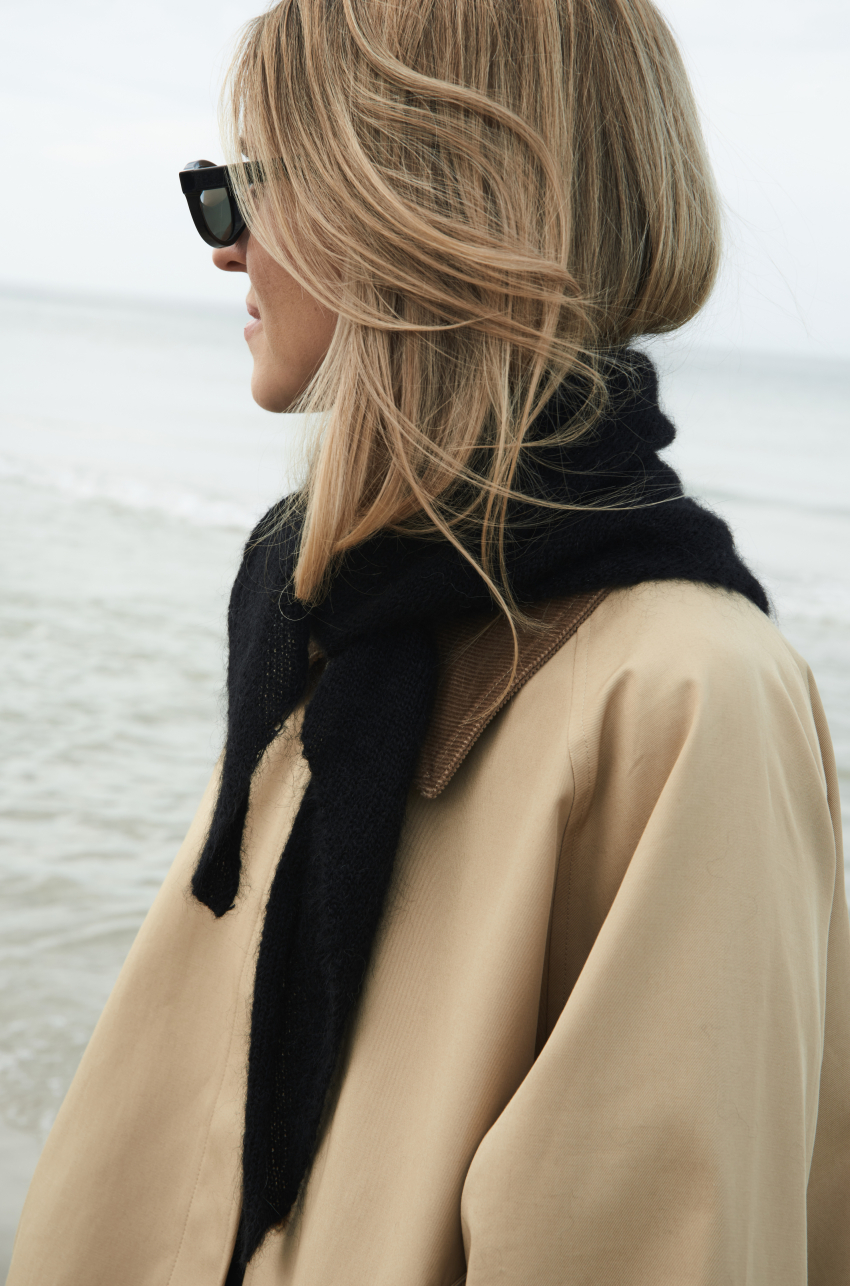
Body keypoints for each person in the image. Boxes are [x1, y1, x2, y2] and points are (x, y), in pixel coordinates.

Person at [8, 0, 850, 1282]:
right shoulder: (323, 606)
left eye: (251, 182)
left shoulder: (686, 696)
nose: (224, 245)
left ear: (406, 203)